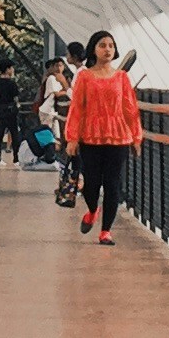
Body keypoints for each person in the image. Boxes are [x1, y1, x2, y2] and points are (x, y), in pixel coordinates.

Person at [64, 29, 142, 245]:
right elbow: (77, 108)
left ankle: (106, 231)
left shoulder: (122, 77)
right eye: (102, 45)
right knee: (90, 184)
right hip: (90, 137)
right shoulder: (85, 77)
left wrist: (136, 137)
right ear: (93, 50)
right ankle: (92, 211)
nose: (107, 49)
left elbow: (130, 109)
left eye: (111, 45)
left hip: (118, 137)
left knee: (112, 184)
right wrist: (72, 137)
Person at [50, 44, 87, 206]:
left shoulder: (82, 72)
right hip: (79, 120)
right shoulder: (81, 71)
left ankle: (77, 184)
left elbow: (76, 96)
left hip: (81, 121)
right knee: (76, 156)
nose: (66, 57)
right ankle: (75, 183)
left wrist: (64, 83)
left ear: (74, 56)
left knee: (77, 155)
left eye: (68, 54)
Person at [0, 61, 24, 165]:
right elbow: (16, 98)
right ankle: (16, 159)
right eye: (11, 68)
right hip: (11, 112)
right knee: (15, 135)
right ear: (7, 69)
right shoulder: (12, 84)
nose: (13, 70)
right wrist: (16, 106)